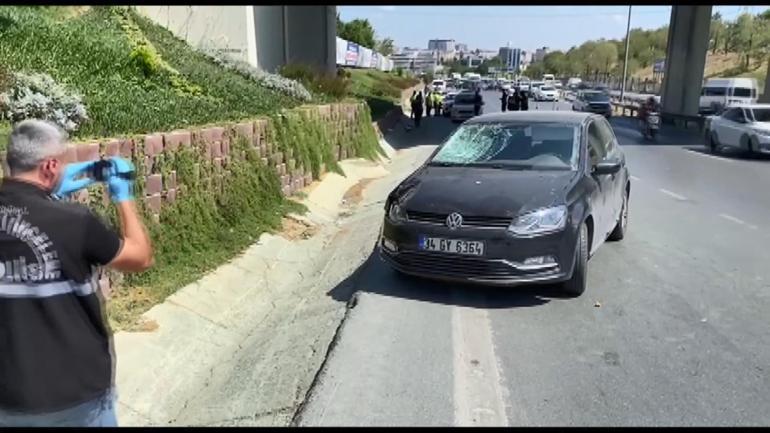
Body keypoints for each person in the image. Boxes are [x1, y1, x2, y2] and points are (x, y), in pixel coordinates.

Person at [0, 119, 154, 427]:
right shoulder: (75, 222)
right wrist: (123, 195)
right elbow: (140, 257)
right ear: (50, 166)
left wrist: (48, 194)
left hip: (8, 398)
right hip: (76, 397)